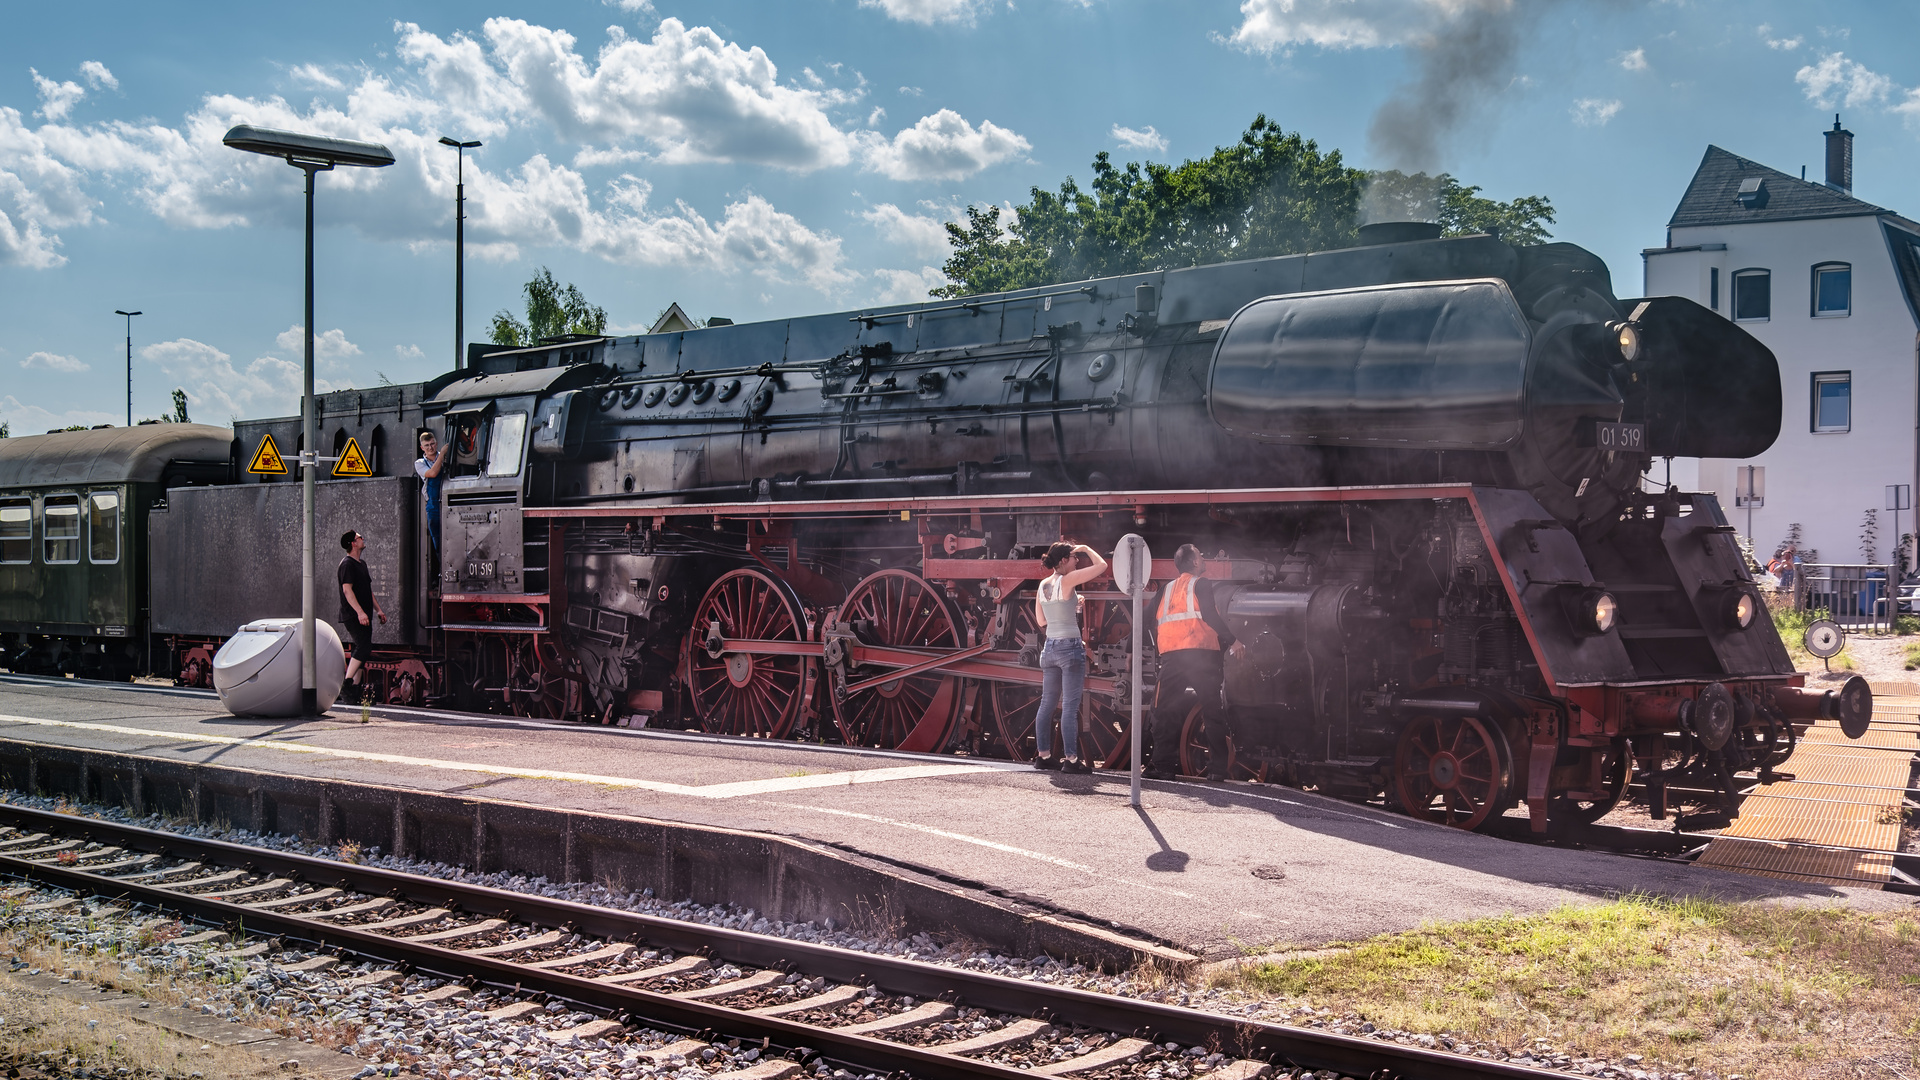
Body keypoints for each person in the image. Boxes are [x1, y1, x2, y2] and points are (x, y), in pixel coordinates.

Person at [1146, 544, 1246, 781]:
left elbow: (1147, 618)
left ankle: (1163, 766)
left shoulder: (1165, 590)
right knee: (1212, 711)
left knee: (1163, 711)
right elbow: (1209, 615)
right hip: (1203, 656)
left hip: (1172, 658)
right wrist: (1233, 641)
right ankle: (1217, 770)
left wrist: (1134, 650)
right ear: (1193, 562)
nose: (1204, 560)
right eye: (1201, 557)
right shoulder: (1202, 584)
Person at [1031, 541, 1109, 773]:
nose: (1078, 561)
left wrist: (1073, 606)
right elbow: (1102, 565)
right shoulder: (1067, 580)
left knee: (1047, 703)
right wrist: (1085, 548)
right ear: (1064, 560)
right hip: (1069, 648)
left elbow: (1042, 621)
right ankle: (1071, 760)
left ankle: (1043, 756)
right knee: (1070, 705)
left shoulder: (1043, 584)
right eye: (1074, 557)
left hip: (1050, 648)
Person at [337, 530, 386, 705]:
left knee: (362, 649)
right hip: (353, 615)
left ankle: (353, 692)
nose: (362, 539)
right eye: (359, 538)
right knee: (364, 647)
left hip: (364, 614)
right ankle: (348, 685)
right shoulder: (347, 564)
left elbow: (368, 590)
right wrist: (359, 612)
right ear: (353, 543)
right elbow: (347, 590)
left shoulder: (361, 564)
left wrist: (378, 610)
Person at [415, 428, 449, 555]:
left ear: (436, 443)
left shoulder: (447, 457)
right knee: (438, 542)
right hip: (433, 506)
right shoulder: (419, 463)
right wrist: (441, 456)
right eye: (427, 445)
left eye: (432, 444)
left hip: (448, 501)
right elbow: (433, 473)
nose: (430, 447)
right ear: (422, 447)